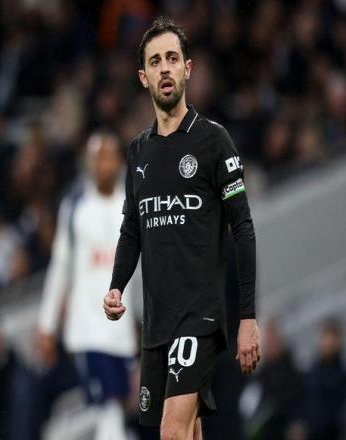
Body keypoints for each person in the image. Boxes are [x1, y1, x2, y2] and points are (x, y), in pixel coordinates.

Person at [103, 17, 260, 440]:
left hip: (200, 315)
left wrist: (247, 318)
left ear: (187, 68)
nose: (165, 68)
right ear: (144, 77)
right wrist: (116, 285)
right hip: (157, 322)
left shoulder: (213, 142)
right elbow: (132, 229)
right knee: (188, 431)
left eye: (172, 58)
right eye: (155, 61)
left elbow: (243, 228)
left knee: (171, 432)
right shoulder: (138, 152)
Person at [38, 131, 137, 440]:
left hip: (123, 328)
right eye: (96, 158)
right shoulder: (76, 206)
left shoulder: (134, 202)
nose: (102, 165)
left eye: (108, 157)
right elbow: (60, 267)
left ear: (118, 161)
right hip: (87, 327)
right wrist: (47, 325)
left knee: (119, 405)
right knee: (109, 404)